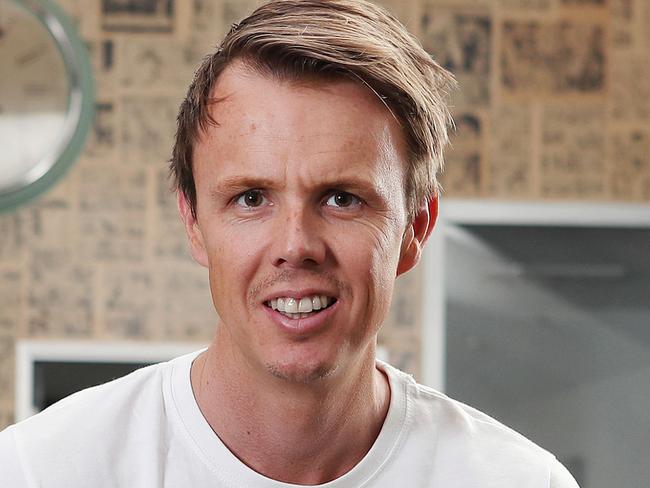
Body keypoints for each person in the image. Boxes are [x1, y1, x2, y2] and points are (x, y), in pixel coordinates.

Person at [0, 1, 580, 486]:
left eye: (341, 198)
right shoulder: (41, 470)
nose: (296, 245)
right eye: (251, 198)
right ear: (194, 222)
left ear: (414, 229)